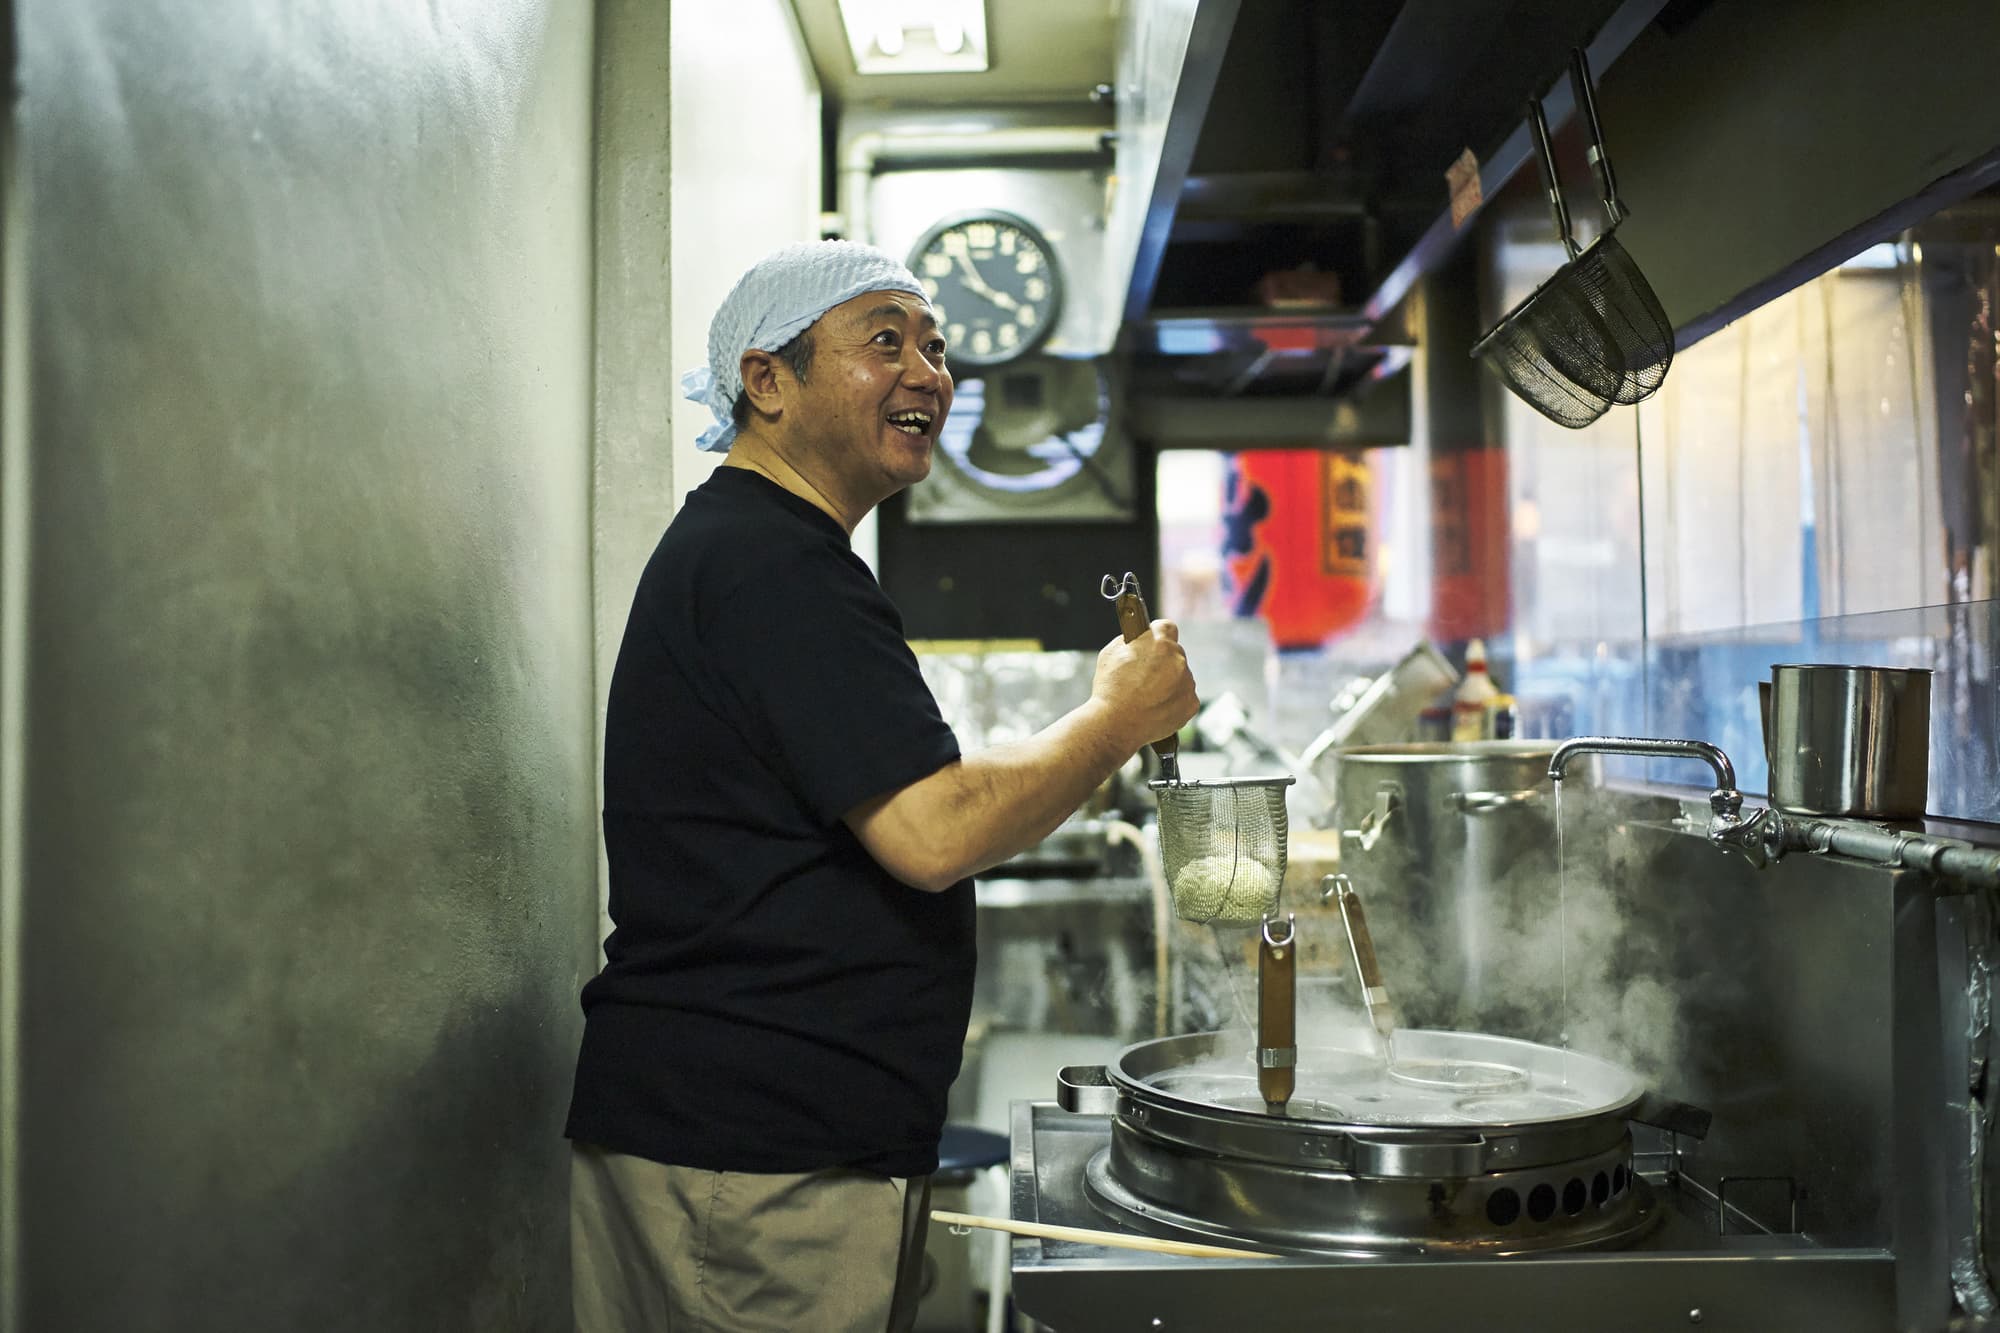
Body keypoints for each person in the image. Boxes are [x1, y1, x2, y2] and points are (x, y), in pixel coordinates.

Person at [565, 240, 1198, 1332]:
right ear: (767, 382)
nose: (928, 373)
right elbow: (932, 827)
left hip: (760, 1145)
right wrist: (1112, 723)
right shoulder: (774, 566)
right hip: (758, 1165)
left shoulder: (763, 555)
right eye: (884, 342)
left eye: (937, 347)